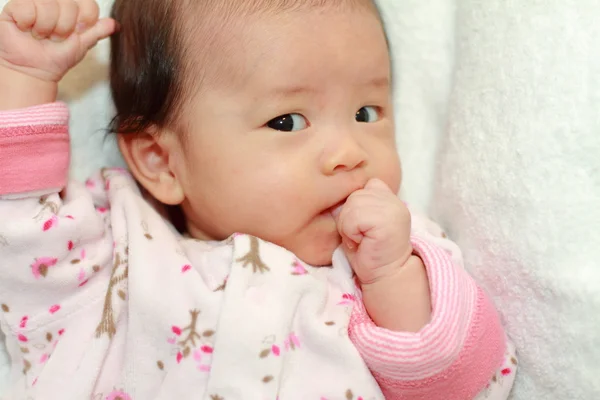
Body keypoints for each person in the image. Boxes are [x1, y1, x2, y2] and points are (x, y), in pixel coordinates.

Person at [0, 0, 517, 398]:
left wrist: (391, 278)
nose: (348, 153)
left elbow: (472, 381)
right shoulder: (119, 258)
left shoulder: (391, 258)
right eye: (287, 121)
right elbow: (20, 237)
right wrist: (25, 80)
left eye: (366, 112)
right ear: (162, 161)